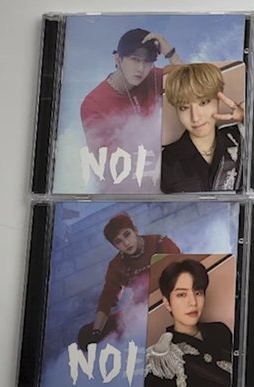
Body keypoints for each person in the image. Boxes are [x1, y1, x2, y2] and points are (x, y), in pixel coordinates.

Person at [80, 28, 183, 192]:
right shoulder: (94, 104)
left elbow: (192, 85)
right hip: (129, 187)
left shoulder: (153, 77)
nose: (141, 68)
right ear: (118, 58)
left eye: (148, 61)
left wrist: (170, 52)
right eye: (135, 59)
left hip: (168, 173)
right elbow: (108, 167)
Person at [87, 212, 180, 345]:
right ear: (115, 246)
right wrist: (96, 331)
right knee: (86, 335)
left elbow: (182, 272)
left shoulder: (160, 243)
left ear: (135, 230)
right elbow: (107, 297)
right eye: (118, 241)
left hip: (172, 299)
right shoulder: (117, 265)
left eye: (127, 234)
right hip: (141, 309)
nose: (126, 243)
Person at [144, 259, 233, 387]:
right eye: (182, 294)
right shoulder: (162, 360)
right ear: (167, 303)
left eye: (198, 293)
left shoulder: (220, 330)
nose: (193, 302)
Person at [161, 63, 244, 193]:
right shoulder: (166, 160)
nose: (195, 117)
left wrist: (249, 121)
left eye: (203, 102)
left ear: (218, 99)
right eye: (184, 107)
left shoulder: (241, 137)